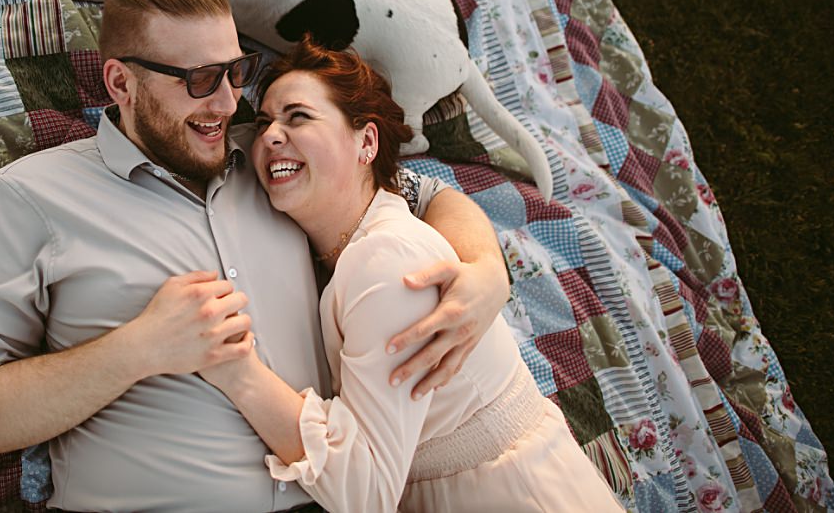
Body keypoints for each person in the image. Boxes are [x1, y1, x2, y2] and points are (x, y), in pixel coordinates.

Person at [0, 0, 513, 512]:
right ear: (121, 83)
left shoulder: (273, 158)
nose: (228, 102)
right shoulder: (28, 198)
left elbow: (423, 194)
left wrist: (488, 269)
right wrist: (138, 349)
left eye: (236, 72)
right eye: (200, 79)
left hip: (338, 497)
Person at [197, 38, 623, 512]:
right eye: (263, 124)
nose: (270, 136)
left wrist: (236, 371)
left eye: (298, 117)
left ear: (366, 143)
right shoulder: (344, 241)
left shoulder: (385, 262)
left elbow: (367, 493)